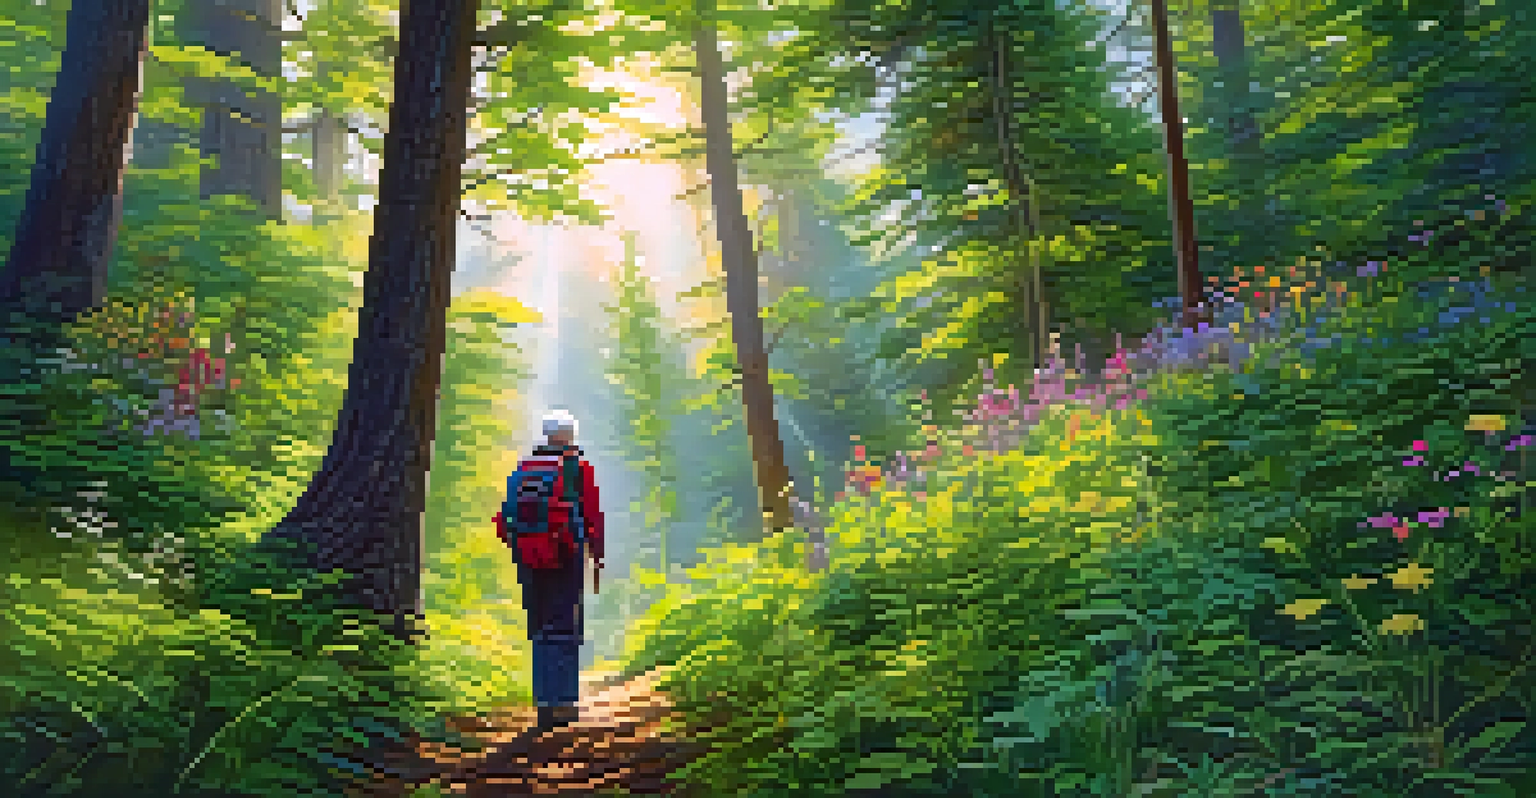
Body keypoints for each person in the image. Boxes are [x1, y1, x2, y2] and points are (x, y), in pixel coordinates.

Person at [493, 409, 605, 730]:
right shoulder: (577, 467)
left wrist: (525, 548)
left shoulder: (526, 466)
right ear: (571, 435)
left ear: (545, 435)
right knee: (565, 622)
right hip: (565, 553)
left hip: (528, 554)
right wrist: (596, 554)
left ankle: (543, 702)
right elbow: (592, 514)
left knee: (540, 623)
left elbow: (506, 520)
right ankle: (564, 703)